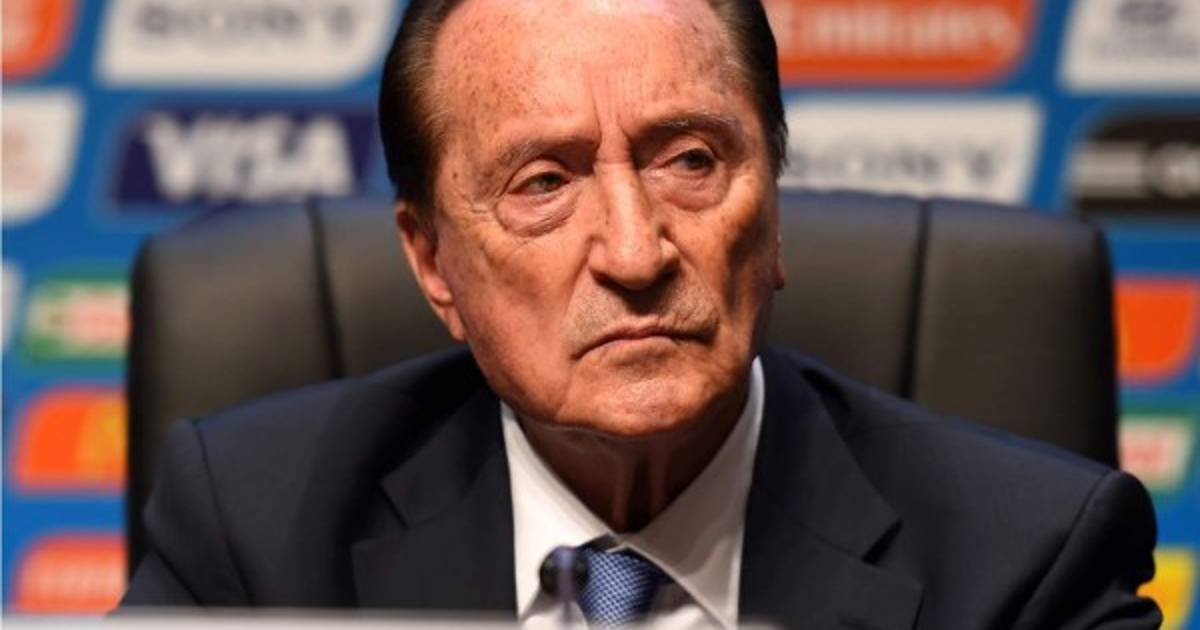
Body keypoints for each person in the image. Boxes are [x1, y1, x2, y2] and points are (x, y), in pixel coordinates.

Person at [120, 0, 1162, 628]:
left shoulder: (1031, 563)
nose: (634, 252)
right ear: (433, 262)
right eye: (543, 183)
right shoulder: (254, 532)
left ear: (773, 209)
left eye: (690, 161)